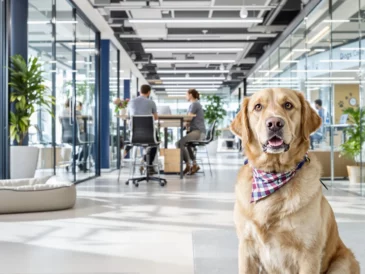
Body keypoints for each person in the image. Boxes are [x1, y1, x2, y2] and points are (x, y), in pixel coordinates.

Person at [127, 85, 159, 174]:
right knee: (155, 143)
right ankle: (148, 165)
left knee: (148, 144)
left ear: (139, 91)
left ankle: (144, 161)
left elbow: (129, 117)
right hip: (149, 135)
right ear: (148, 92)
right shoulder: (151, 102)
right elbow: (155, 118)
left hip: (134, 136)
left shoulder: (131, 102)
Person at [176, 89, 206, 175]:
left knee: (179, 143)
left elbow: (189, 118)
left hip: (198, 132)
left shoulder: (194, 104)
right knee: (187, 144)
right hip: (197, 131)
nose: (185, 96)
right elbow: (188, 120)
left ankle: (188, 165)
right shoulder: (194, 104)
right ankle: (194, 165)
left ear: (191, 95)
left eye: (186, 95)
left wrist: (183, 124)